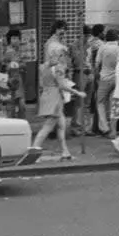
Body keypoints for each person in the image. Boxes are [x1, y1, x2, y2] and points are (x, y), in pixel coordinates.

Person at [31, 22, 84, 160]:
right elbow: (62, 85)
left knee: (61, 125)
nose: (65, 57)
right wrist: (78, 93)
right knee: (48, 127)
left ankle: (65, 151)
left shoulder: (45, 66)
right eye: (63, 54)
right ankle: (33, 151)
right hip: (55, 97)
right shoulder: (59, 68)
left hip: (51, 95)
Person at [93, 30, 119, 136]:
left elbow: (97, 64)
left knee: (100, 102)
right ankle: (113, 129)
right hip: (117, 79)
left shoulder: (103, 47)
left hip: (104, 78)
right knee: (113, 104)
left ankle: (104, 127)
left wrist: (97, 76)